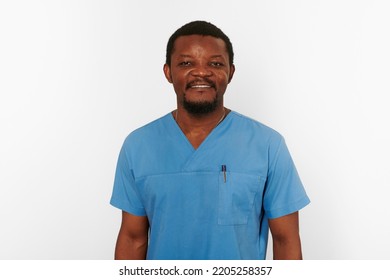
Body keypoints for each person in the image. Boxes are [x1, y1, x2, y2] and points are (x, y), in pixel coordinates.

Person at [110, 20, 310, 260]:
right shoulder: (138, 146)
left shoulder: (268, 145)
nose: (201, 72)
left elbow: (286, 240)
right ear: (168, 72)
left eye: (215, 63)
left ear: (231, 72)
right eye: (186, 63)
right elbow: (133, 239)